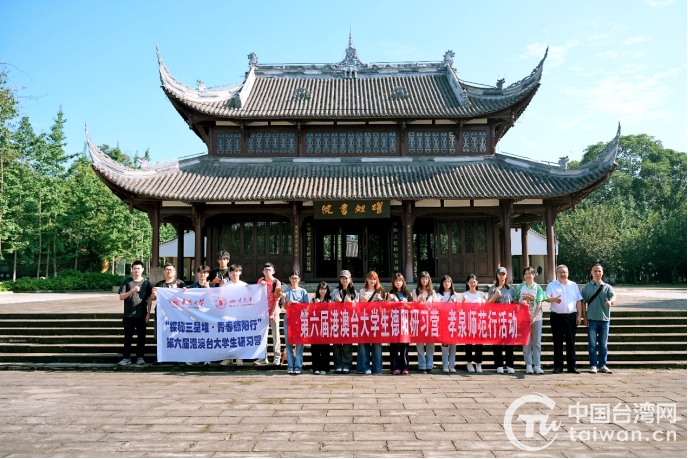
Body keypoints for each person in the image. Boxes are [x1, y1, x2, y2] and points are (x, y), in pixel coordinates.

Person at [546, 264, 583, 374]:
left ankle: (572, 366)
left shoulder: (573, 285)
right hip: (556, 317)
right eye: (560, 272)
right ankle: (558, 366)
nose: (563, 274)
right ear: (556, 274)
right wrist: (554, 299)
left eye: (565, 272)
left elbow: (579, 301)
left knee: (571, 342)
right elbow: (546, 298)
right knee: (557, 342)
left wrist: (579, 316)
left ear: (568, 273)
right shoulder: (551, 285)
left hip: (571, 317)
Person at [581, 263, 616, 374]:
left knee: (603, 344)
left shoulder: (607, 287)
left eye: (599, 271)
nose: (597, 273)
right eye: (595, 271)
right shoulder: (586, 287)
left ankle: (603, 365)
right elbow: (582, 303)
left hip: (605, 319)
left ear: (602, 273)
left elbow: (614, 296)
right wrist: (584, 317)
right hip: (592, 319)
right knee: (592, 344)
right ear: (591, 273)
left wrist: (611, 302)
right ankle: (593, 365)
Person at [150, 263, 188, 363]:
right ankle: (161, 357)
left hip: (176, 315)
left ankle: (177, 357)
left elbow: (186, 298)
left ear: (174, 271)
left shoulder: (180, 283)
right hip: (161, 315)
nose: (169, 271)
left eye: (171, 270)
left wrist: (183, 291)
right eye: (167, 269)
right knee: (160, 336)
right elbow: (152, 298)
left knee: (176, 336)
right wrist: (153, 293)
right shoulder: (160, 284)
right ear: (163, 271)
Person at [117, 260, 153, 365]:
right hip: (128, 314)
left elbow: (149, 298)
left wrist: (148, 313)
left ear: (142, 270)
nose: (136, 270)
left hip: (141, 314)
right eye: (134, 268)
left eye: (138, 268)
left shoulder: (146, 283)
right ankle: (126, 358)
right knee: (128, 337)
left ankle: (140, 357)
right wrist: (132, 291)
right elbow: (121, 297)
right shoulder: (126, 282)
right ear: (132, 270)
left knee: (141, 337)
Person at [516, 266, 547, 374]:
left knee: (536, 342)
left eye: (530, 273)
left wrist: (534, 317)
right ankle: (528, 364)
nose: (528, 275)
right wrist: (521, 302)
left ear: (534, 275)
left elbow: (539, 303)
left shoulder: (538, 288)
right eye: (526, 273)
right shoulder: (520, 287)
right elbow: (515, 300)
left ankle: (537, 365)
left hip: (536, 318)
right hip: (523, 318)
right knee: (526, 342)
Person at [488, 267, 517, 374]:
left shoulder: (511, 289)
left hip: (509, 319)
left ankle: (510, 364)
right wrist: (495, 295)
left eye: (503, 274)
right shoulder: (492, 288)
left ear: (506, 275)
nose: (501, 276)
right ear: (497, 275)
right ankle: (499, 364)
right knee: (497, 342)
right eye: (500, 274)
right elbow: (489, 304)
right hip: (496, 319)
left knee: (509, 342)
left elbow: (515, 302)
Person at [219, 263, 248, 366]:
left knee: (239, 337)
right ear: (230, 273)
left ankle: (239, 358)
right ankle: (228, 358)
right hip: (228, 315)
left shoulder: (244, 285)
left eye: (237, 271)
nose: (235, 273)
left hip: (240, 315)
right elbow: (220, 299)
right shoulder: (226, 286)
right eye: (233, 271)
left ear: (240, 272)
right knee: (227, 337)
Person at [357, 271, 386, 375]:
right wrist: (363, 302)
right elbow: (358, 308)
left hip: (377, 321)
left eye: (374, 279)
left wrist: (381, 301)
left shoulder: (381, 291)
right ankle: (365, 367)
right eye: (370, 278)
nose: (372, 281)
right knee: (363, 344)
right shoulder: (362, 291)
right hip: (364, 320)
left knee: (377, 345)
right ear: (367, 279)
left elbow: (385, 308)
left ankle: (377, 368)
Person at [331, 270, 359, 374]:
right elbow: (329, 306)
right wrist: (336, 303)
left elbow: (358, 307)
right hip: (336, 320)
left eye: (346, 278)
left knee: (347, 344)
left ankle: (347, 364)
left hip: (349, 321)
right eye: (342, 278)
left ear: (350, 279)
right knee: (337, 344)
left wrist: (351, 303)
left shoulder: (354, 292)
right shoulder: (335, 291)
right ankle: (338, 365)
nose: (344, 280)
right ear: (340, 279)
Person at [282, 271, 309, 375]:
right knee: (288, 342)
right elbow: (284, 307)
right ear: (290, 279)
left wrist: (296, 303)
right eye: (292, 278)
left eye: (296, 278)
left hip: (300, 320)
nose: (294, 280)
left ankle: (298, 365)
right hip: (289, 319)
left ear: (299, 279)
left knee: (299, 343)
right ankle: (290, 365)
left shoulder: (303, 292)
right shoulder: (287, 292)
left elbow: (306, 306)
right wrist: (284, 299)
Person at [255, 262, 282, 366]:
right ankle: (263, 357)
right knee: (262, 335)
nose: (268, 272)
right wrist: (260, 286)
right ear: (263, 272)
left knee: (276, 335)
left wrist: (272, 313)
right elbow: (256, 294)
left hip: (274, 312)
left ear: (273, 271)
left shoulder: (277, 283)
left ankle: (277, 357)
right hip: (262, 312)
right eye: (266, 270)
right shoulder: (260, 281)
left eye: (270, 270)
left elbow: (276, 299)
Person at [187, 265, 211, 365]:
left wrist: (208, 288)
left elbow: (215, 300)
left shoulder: (212, 287)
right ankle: (194, 358)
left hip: (208, 317)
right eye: (201, 273)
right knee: (195, 338)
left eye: (205, 273)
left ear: (208, 274)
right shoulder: (192, 287)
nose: (203, 275)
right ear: (197, 274)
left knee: (207, 338)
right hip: (195, 317)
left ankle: (207, 358)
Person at [436, 275, 461, 373]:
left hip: (453, 321)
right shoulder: (438, 295)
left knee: (453, 343)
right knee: (445, 343)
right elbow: (436, 307)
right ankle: (445, 364)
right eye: (445, 282)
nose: (447, 283)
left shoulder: (456, 295)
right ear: (442, 283)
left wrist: (456, 303)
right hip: (443, 321)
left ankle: (452, 364)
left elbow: (460, 309)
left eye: (449, 281)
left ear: (451, 283)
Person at [412, 271, 436, 373]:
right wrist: (418, 301)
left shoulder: (432, 292)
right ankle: (422, 365)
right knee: (420, 343)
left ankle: (429, 364)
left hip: (430, 320)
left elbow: (436, 306)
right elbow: (412, 306)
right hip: (419, 320)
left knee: (430, 344)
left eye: (426, 278)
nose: (424, 280)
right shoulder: (415, 291)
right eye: (422, 278)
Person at [462, 274, 486, 373]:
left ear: (477, 283)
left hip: (479, 321)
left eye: (474, 282)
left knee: (479, 343)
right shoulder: (464, 294)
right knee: (468, 343)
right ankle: (469, 362)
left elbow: (486, 307)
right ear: (467, 283)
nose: (473, 284)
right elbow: (460, 309)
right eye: (471, 282)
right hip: (468, 321)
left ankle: (478, 363)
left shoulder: (481, 294)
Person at [388, 273, 411, 375]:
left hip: (405, 323)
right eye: (396, 281)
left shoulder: (407, 294)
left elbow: (413, 307)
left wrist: (405, 304)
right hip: (393, 322)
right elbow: (385, 308)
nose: (398, 283)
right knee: (393, 346)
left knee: (404, 346)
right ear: (393, 282)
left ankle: (405, 366)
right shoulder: (390, 293)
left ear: (403, 282)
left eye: (400, 281)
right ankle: (394, 367)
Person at [311, 281, 333, 375]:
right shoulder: (313, 300)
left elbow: (332, 312)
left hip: (326, 326)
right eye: (321, 289)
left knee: (325, 348)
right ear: (318, 290)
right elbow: (309, 312)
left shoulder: (330, 300)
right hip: (315, 326)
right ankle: (316, 368)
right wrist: (315, 305)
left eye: (324, 289)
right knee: (315, 349)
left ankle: (324, 367)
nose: (322, 291)